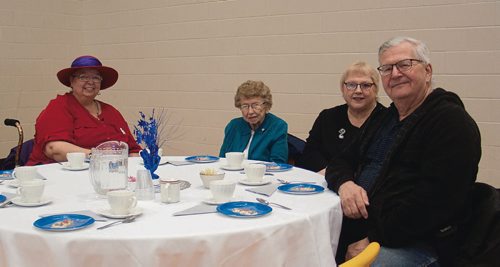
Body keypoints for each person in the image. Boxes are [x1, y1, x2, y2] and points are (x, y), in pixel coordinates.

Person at [325, 37, 482, 266]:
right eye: (387, 68)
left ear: (427, 71)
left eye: (405, 64)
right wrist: (345, 184)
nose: (395, 74)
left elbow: (433, 205)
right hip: (362, 227)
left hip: (418, 242)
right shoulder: (384, 119)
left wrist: (369, 238)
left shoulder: (452, 123)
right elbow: (341, 161)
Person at [27, 55, 141, 165]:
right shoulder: (59, 106)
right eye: (83, 77)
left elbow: (133, 150)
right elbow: (54, 149)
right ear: (72, 81)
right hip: (57, 175)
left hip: (109, 175)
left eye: (96, 77)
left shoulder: (111, 111)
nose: (90, 81)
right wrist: (98, 156)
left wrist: (134, 171)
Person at [296, 61, 385, 175]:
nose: (358, 91)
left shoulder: (388, 121)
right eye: (351, 85)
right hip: (325, 182)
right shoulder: (327, 117)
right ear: (343, 89)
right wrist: (332, 175)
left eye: (366, 85)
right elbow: (310, 153)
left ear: (376, 89)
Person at [219, 80, 288, 163]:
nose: (250, 111)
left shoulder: (278, 126)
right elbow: (222, 159)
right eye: (245, 106)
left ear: (266, 105)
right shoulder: (233, 126)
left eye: (255, 105)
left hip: (262, 174)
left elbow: (278, 164)